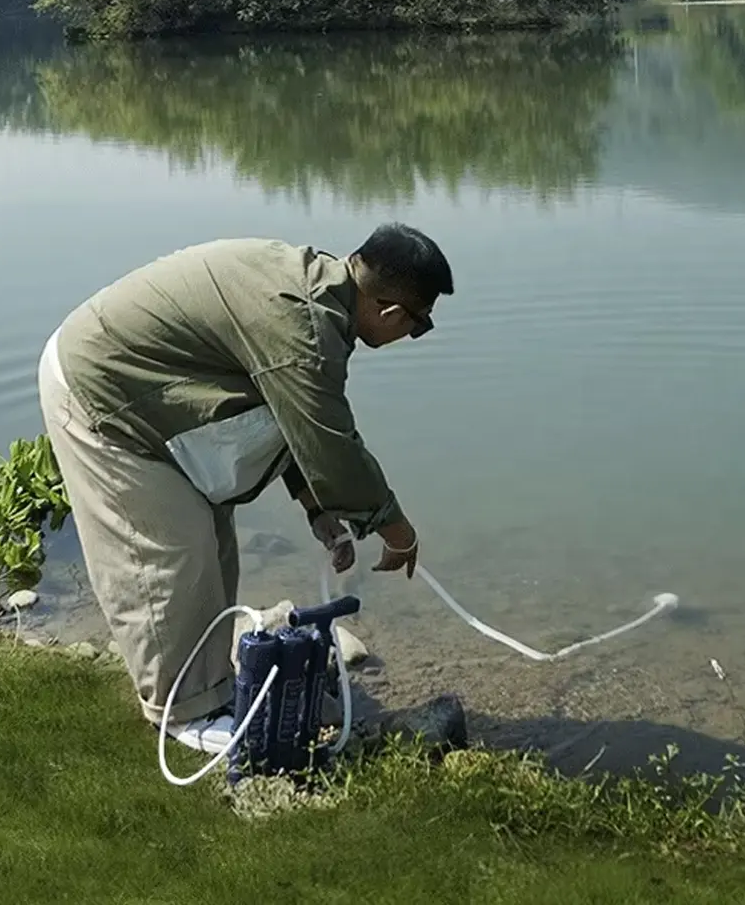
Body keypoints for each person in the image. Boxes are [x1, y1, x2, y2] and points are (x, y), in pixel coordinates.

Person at [36, 224, 454, 752]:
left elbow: (292, 418)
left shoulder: (321, 296)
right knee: (164, 560)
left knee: (212, 555)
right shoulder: (304, 328)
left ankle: (211, 691)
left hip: (147, 388)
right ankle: (182, 715)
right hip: (103, 393)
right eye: (419, 326)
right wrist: (396, 528)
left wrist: (317, 509)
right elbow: (328, 442)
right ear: (391, 311)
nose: (410, 336)